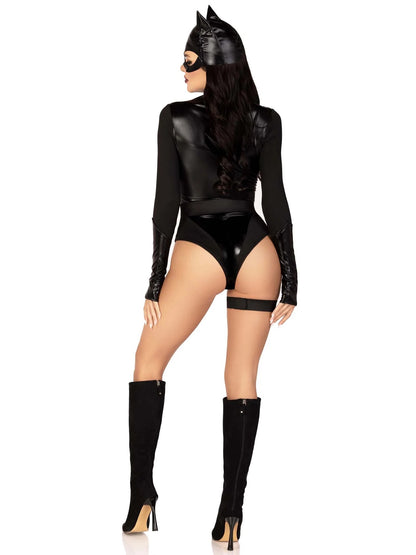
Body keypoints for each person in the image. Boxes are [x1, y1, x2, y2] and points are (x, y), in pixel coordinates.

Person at [122, 5, 298, 550]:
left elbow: (165, 204)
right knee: (241, 378)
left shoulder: (174, 117)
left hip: (200, 244)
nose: (181, 70)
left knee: (147, 362)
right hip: (257, 250)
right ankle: (231, 515)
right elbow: (277, 202)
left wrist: (155, 279)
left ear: (213, 64)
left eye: (189, 60)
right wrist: (291, 278)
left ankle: (142, 497)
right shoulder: (265, 120)